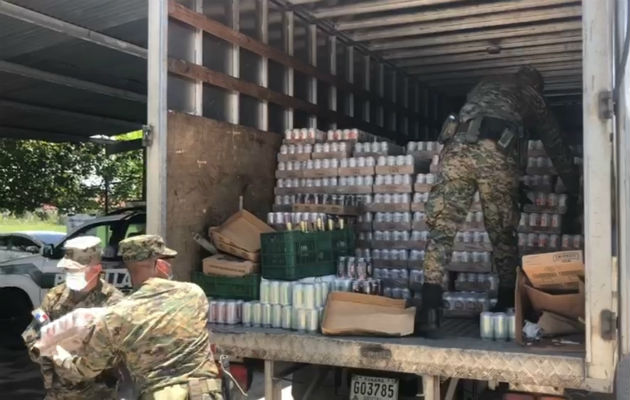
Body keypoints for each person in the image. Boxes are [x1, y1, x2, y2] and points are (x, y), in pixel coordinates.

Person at [420, 66, 579, 334]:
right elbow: (556, 145)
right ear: (536, 86)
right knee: (502, 232)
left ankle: (430, 309)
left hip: (457, 150)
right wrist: (574, 186)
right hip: (496, 155)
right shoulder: (533, 97)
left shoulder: (485, 82)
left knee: (441, 229)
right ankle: (506, 302)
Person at [51, 234, 222, 400]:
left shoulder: (116, 316)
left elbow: (86, 369)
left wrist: (60, 355)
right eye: (167, 262)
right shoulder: (193, 293)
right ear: (160, 264)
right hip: (203, 393)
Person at [22, 235, 124, 400]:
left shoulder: (114, 302)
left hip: (99, 393)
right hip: (58, 391)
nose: (70, 274)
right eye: (68, 269)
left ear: (96, 269)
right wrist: (44, 348)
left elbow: (119, 350)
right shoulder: (54, 296)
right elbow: (33, 332)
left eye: (76, 270)